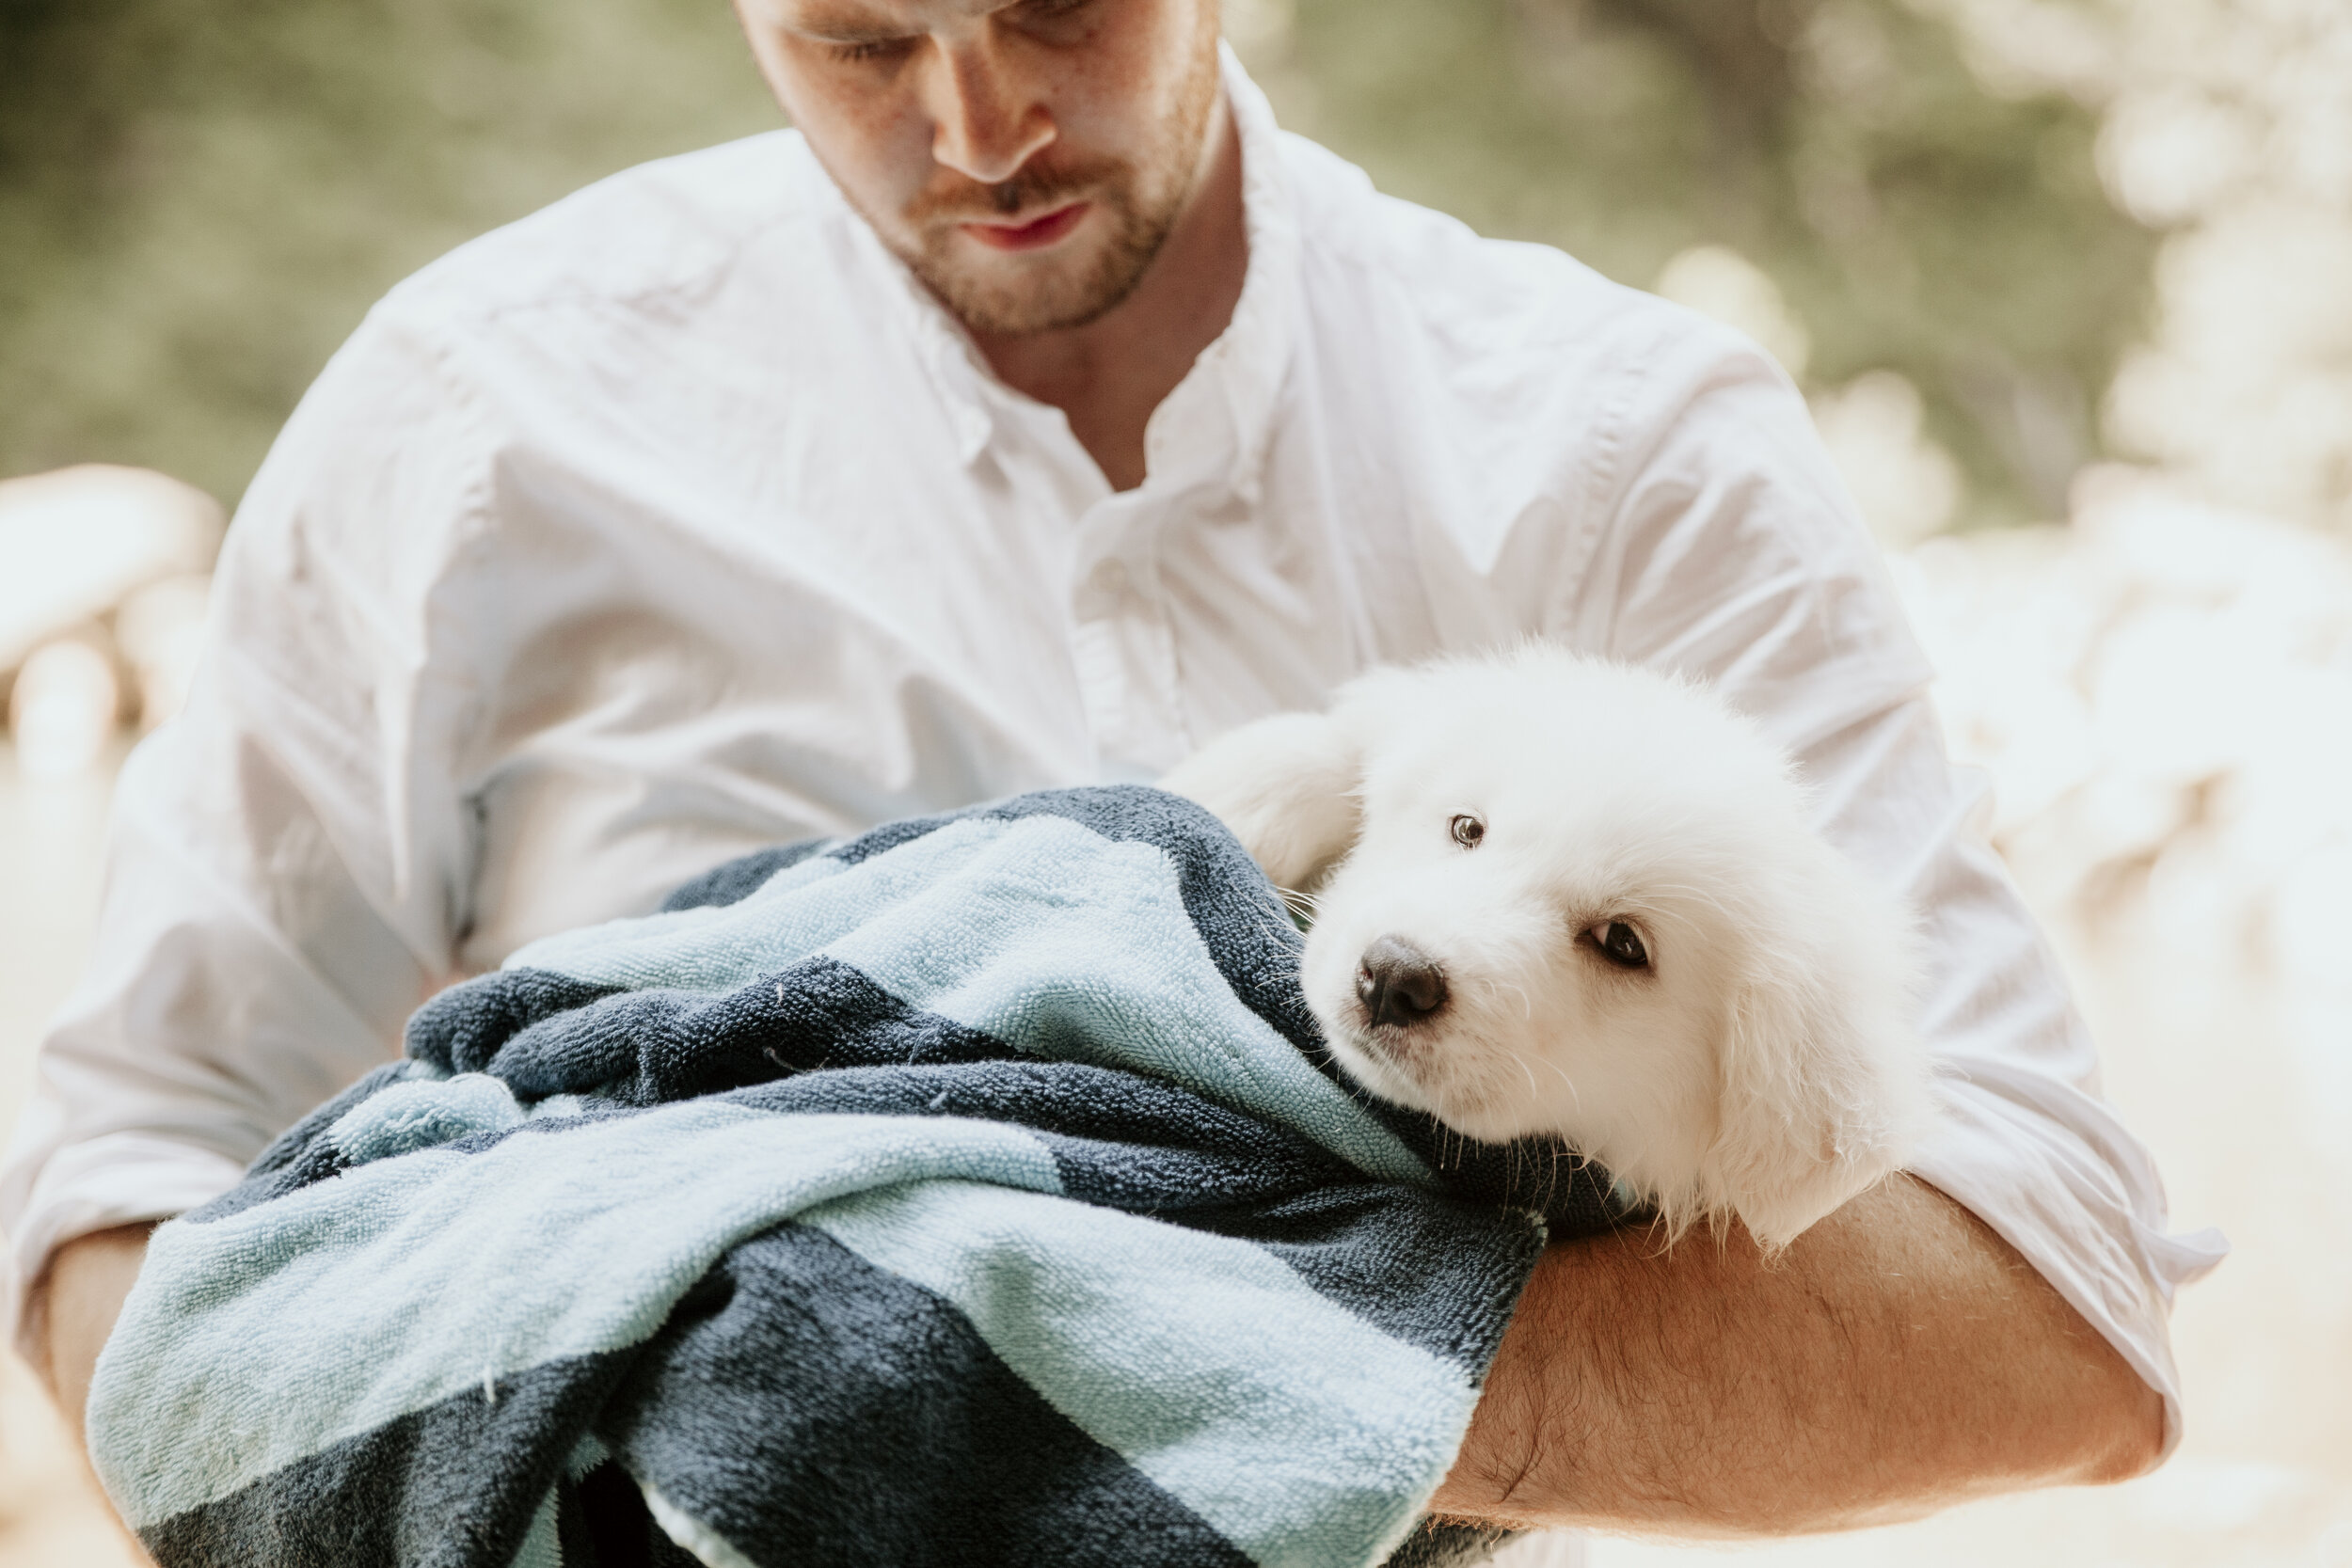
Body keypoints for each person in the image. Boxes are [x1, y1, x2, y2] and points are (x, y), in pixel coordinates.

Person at [5, 0, 2222, 1542]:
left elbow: (2038, 1318)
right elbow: (135, 1184)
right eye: (855, 43)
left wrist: (1113, 1382)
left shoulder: (1616, 456)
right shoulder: (478, 419)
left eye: (1057, 6)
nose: (972, 127)